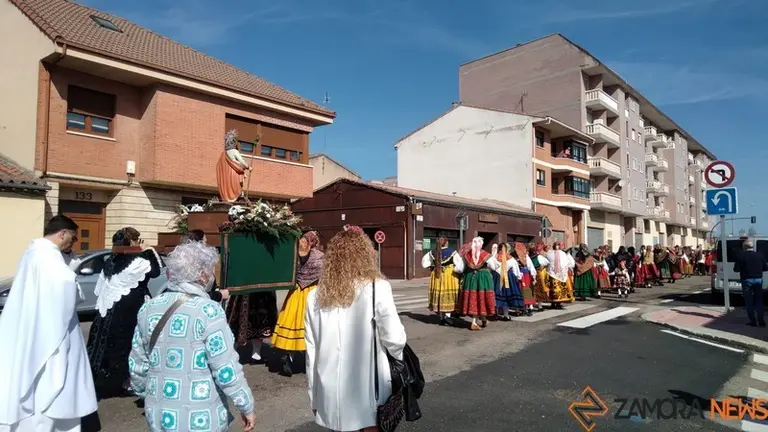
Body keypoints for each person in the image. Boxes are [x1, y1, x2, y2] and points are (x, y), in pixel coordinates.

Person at [129, 241, 256, 432]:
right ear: (203, 275)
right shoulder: (208, 311)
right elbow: (226, 368)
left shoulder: (148, 308)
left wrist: (143, 391)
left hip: (159, 413)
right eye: (211, 271)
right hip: (200, 416)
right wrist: (245, 405)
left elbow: (137, 363)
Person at [304, 225, 407, 432]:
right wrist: (397, 358)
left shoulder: (314, 296)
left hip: (329, 389)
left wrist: (314, 396)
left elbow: (311, 350)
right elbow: (395, 339)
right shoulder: (377, 287)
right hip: (368, 388)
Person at [0, 215, 98, 431]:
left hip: (31, 322)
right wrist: (73, 276)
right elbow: (65, 287)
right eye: (71, 238)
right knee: (50, 378)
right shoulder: (48, 256)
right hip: (51, 328)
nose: (71, 244)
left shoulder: (34, 251)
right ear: (62, 233)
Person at [86, 227, 162, 399]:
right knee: (129, 343)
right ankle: (126, 381)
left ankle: (100, 378)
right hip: (128, 309)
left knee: (104, 343)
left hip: (108, 309)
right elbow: (156, 272)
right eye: (137, 240)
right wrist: (149, 250)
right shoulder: (138, 260)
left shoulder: (110, 260)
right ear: (132, 242)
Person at [271, 231, 324, 376]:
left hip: (295, 293)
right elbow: (324, 276)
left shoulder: (295, 255)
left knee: (292, 322)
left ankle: (289, 356)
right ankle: (310, 361)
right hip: (312, 293)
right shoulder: (320, 258)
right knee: (311, 326)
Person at [457, 237, 496, 330]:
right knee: (481, 298)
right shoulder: (485, 255)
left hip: (470, 277)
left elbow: (459, 269)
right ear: (481, 244)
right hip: (483, 278)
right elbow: (493, 267)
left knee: (474, 298)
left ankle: (483, 319)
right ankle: (474, 322)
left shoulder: (466, 255)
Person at [421, 236, 461, 326]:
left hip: (437, 275)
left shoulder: (432, 252)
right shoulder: (452, 252)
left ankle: (442, 317)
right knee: (448, 294)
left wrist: (431, 267)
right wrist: (457, 271)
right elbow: (459, 266)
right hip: (449, 275)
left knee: (440, 294)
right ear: (446, 242)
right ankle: (447, 316)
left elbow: (424, 263)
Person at [183, 229, 230, 303]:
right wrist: (220, 295)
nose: (206, 240)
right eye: (205, 239)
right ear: (200, 241)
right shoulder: (202, 259)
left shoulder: (181, 255)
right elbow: (200, 292)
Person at [733, 241, 768, 327]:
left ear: (744, 247)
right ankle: (761, 321)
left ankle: (753, 321)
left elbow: (736, 269)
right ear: (753, 247)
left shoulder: (741, 256)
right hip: (758, 280)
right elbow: (765, 268)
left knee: (749, 302)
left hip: (747, 280)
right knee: (759, 301)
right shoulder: (759, 255)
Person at [487, 243, 525, 319]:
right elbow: (516, 270)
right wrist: (518, 278)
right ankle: (506, 315)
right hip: (508, 277)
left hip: (496, 277)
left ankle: (495, 313)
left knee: (497, 293)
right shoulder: (511, 258)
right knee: (506, 295)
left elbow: (489, 267)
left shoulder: (494, 257)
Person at [216, 129, 252, 202]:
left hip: (227, 175)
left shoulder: (223, 154)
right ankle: (235, 199)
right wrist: (248, 167)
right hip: (234, 173)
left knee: (228, 187)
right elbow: (241, 161)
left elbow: (219, 165)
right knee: (236, 187)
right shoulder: (234, 151)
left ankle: (228, 198)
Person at [544, 241, 575, 308]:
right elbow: (568, 264)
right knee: (559, 289)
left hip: (552, 274)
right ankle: (558, 303)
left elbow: (546, 263)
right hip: (560, 274)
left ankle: (553, 303)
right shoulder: (563, 254)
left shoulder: (549, 254)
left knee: (553, 289)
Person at [515, 242, 537, 315]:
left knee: (525, 290)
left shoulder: (525, 257)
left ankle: (529, 307)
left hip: (524, 274)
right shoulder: (516, 257)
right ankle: (524, 307)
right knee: (522, 290)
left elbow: (531, 267)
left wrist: (534, 277)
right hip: (521, 274)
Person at [531, 243, 551, 310]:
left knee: (529, 289)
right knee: (539, 289)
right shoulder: (538, 257)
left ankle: (530, 306)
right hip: (537, 274)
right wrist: (542, 267)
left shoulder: (526, 257)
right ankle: (539, 306)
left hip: (529, 274)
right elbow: (547, 262)